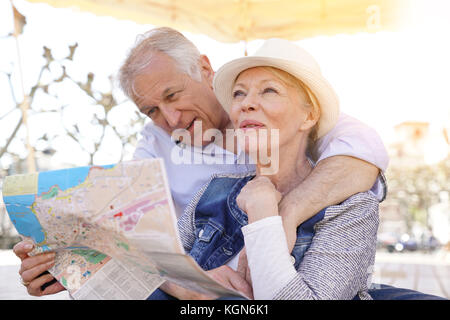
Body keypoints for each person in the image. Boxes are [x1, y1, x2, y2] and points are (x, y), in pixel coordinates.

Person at [14, 27, 387, 298]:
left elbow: (363, 156)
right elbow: (124, 223)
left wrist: (281, 214)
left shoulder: (290, 116)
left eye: (173, 95)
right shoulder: (162, 148)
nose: (171, 119)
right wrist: (59, 261)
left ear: (205, 70)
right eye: (151, 110)